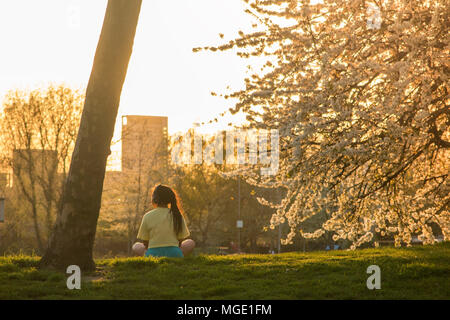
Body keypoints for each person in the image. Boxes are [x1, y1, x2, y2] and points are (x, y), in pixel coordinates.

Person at [135, 184, 195, 258]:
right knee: (190, 242)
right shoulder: (177, 215)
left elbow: (145, 242)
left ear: (154, 199)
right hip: (175, 254)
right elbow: (181, 240)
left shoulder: (147, 216)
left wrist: (152, 249)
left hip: (153, 255)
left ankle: (149, 256)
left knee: (136, 246)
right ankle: (177, 255)